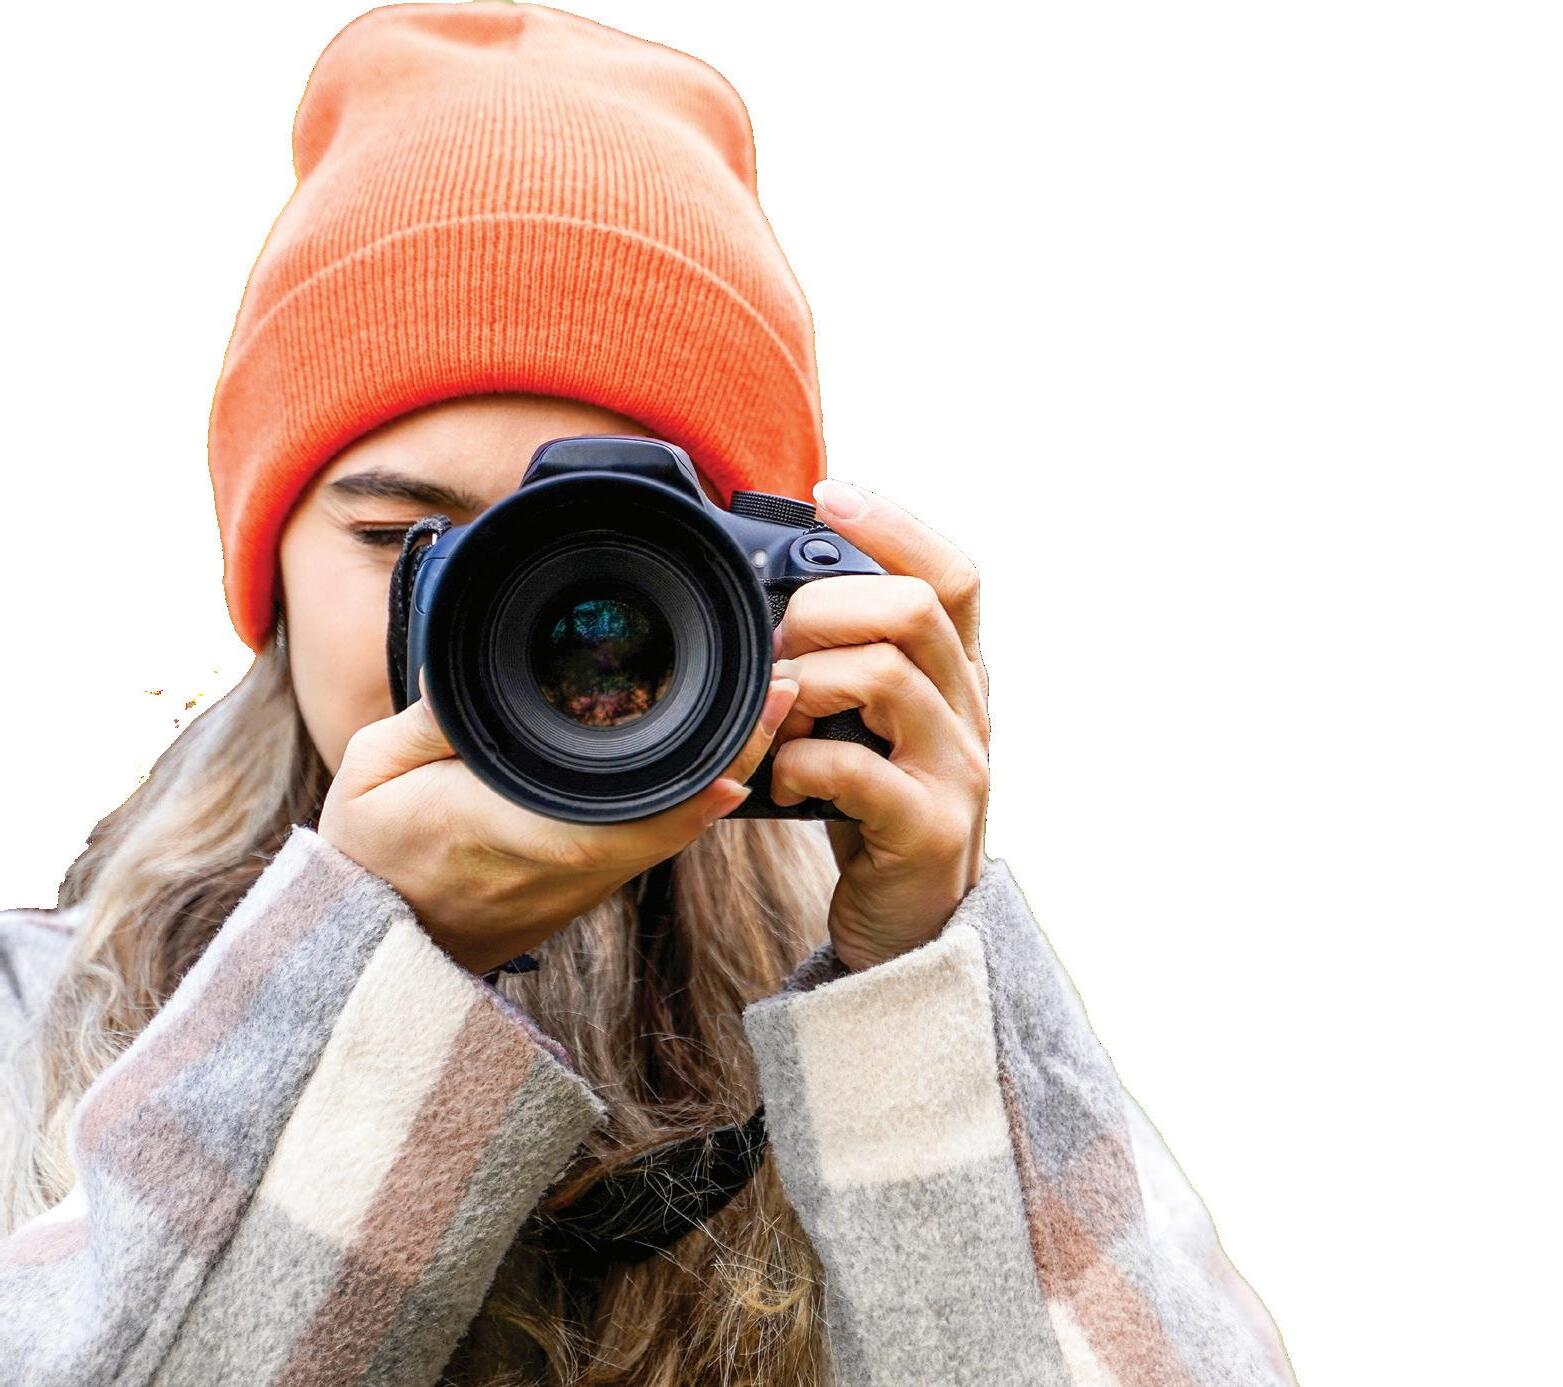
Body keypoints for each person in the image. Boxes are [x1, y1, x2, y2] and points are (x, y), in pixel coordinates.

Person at [0, 4, 1293, 1385]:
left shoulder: (902, 981)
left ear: (762, 590)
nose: (520, 634)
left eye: (609, 564)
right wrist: (357, 972)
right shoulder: (36, 1013)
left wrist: (920, 984)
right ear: (265, 572)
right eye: (403, 542)